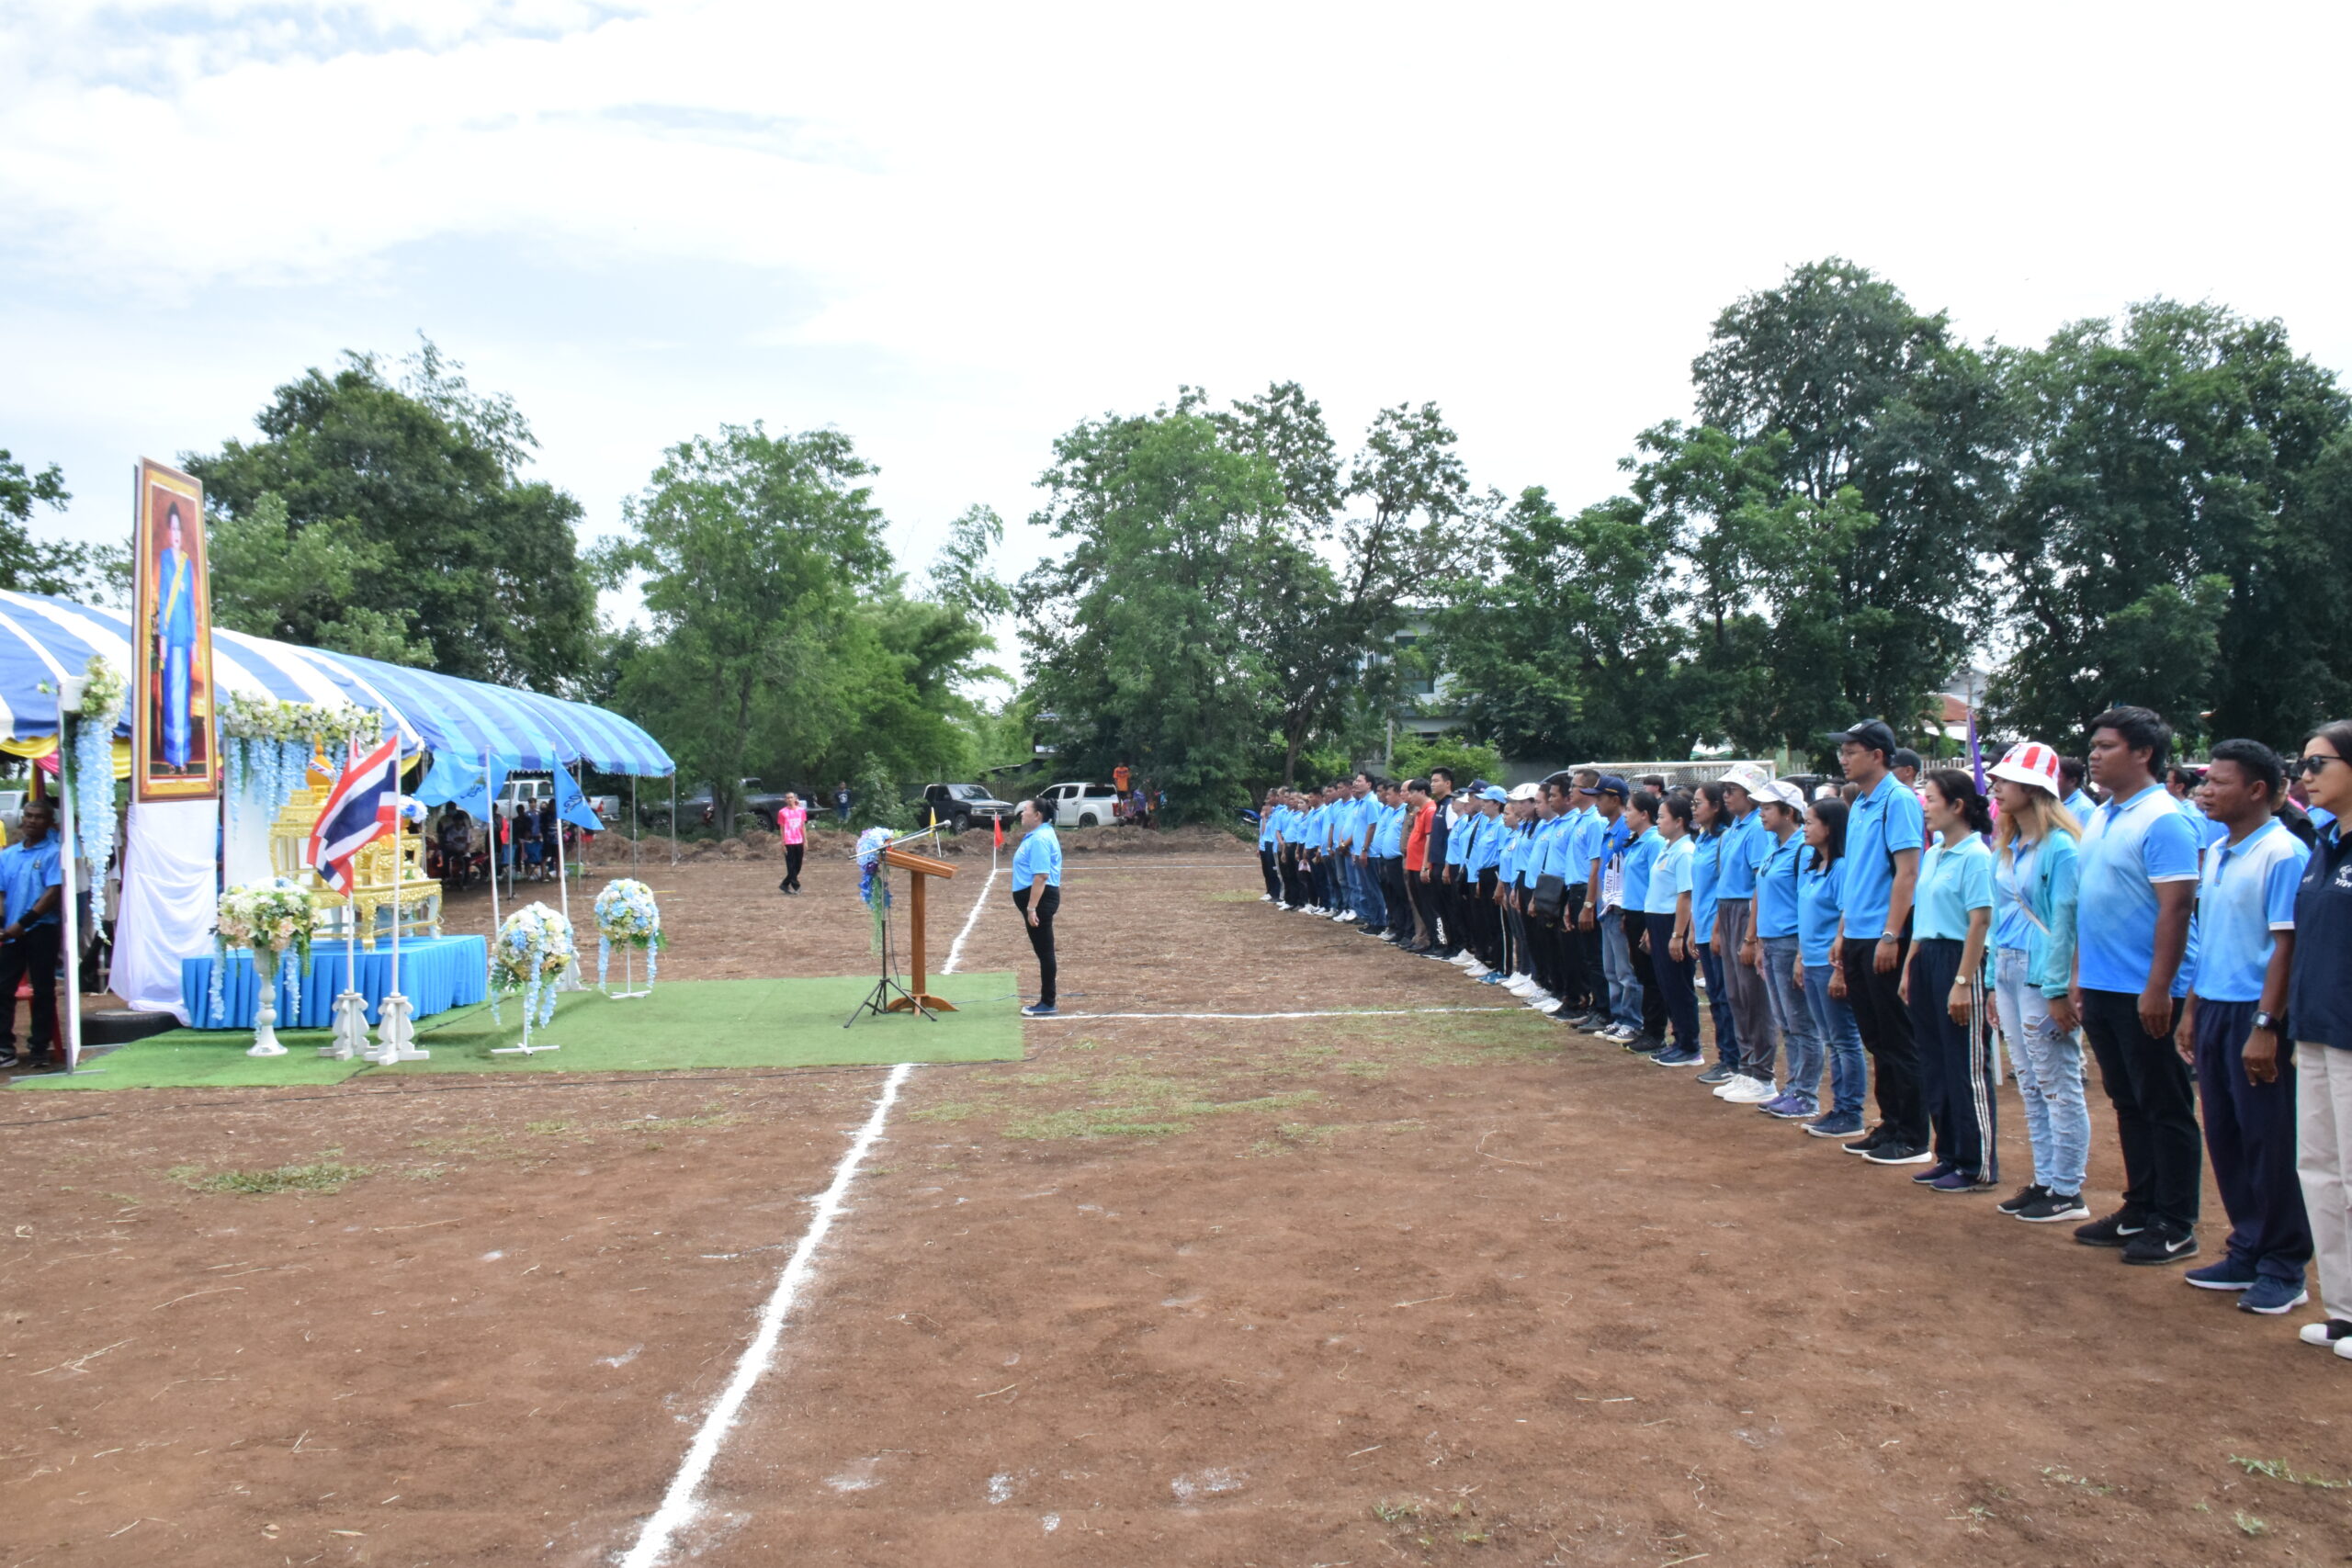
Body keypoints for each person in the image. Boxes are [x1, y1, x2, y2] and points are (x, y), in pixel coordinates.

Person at [2178, 739, 2312, 1314]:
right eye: (2205, 782)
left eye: (2219, 782)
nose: (2205, 790)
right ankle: (2247, 1245)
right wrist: (2191, 1007)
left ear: (2257, 791)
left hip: (2255, 1012)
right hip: (2214, 1005)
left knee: (2269, 1139)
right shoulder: (2222, 850)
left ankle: (2284, 1263)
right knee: (2227, 1135)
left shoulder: (2281, 853)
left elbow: (2285, 946)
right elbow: (2209, 938)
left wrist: (2266, 1022)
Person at [2072, 705, 2204, 1265]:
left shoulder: (2165, 818)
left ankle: (2175, 1222)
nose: (2095, 755)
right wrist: (2080, 974)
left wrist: (2160, 988)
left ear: (2143, 753)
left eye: (2106, 746)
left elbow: (2175, 910)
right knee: (2127, 1100)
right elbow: (2089, 902)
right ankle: (2141, 1205)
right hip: (2103, 983)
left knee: (2165, 1104)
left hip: (2146, 987)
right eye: (2094, 746)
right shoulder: (2105, 815)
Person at [1985, 741, 2090, 1224]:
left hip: (2039, 971)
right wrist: (1989, 980)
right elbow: (1998, 916)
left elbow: (2066, 920)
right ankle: (2045, 1178)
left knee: (2056, 1081)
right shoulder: (2009, 846)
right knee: (2030, 1081)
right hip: (2008, 967)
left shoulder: (2062, 848)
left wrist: (2056, 988)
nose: (1996, 787)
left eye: (2005, 781)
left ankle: (2067, 1188)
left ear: (2033, 789)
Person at [1902, 770, 1999, 1192]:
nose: (1926, 807)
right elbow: (1923, 921)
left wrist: (1963, 980)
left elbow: (1980, 921)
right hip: (1928, 959)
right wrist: (1909, 966)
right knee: (1934, 1061)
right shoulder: (1936, 853)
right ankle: (1949, 1154)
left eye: (1932, 799)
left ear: (1957, 805)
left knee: (1965, 1065)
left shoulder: (1977, 856)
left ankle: (1977, 1162)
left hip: (1961, 959)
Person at [2290, 721, 2352, 1356]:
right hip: (2315, 1026)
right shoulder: (2322, 843)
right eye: (2302, 762)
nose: (2305, 774)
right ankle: (2344, 1311)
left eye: (2318, 762)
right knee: (2321, 1170)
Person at [1793, 797, 1869, 1137]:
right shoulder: (1814, 867)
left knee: (1844, 1039)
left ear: (1830, 827)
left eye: (1810, 822)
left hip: (1829, 964)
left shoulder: (1840, 868)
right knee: (1830, 1038)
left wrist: (1839, 968)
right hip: (1811, 962)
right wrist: (1800, 957)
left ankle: (1850, 1111)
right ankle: (1838, 1106)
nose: (1805, 828)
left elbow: (1846, 914)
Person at [1750, 781, 1822, 1120]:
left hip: (1792, 942)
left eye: (1768, 808)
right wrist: (1760, 942)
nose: (1761, 813)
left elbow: (1807, 903)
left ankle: (1806, 1093)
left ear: (1788, 813)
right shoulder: (1774, 847)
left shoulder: (1803, 851)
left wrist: (1801, 954)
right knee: (1786, 1022)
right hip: (1773, 942)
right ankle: (1793, 1087)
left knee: (1802, 1022)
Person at [1712, 763, 1778, 1105]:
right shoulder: (1733, 829)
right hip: (1728, 910)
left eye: (1732, 790)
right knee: (1735, 994)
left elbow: (1758, 884)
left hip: (1745, 911)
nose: (1726, 796)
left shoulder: (1756, 829)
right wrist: (1719, 927)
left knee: (1753, 995)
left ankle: (1763, 1074)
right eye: (1725, 790)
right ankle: (1746, 1065)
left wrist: (1752, 936)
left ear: (1751, 796)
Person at [0, 798, 66, 1070]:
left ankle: (39, 1048)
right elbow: (2, 893)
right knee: (3, 988)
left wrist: (23, 923)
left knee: (43, 989)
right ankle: (5, 1047)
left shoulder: (54, 853)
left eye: (39, 817)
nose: (32, 821)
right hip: (11, 933)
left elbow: (52, 894)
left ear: (49, 822)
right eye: (28, 816)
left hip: (41, 930)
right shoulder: (8, 854)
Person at [1645, 792, 1702, 1067]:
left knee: (1679, 985)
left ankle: (1690, 1045)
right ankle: (1678, 1040)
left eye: (1662, 817)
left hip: (1673, 923)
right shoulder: (1668, 848)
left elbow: (1686, 896)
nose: (1658, 822)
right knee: (1666, 984)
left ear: (1679, 821)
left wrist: (1678, 935)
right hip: (1658, 921)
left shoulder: (1685, 852)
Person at [1589, 776, 1643, 1042]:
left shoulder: (1624, 829)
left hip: (1618, 908)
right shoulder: (1609, 829)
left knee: (1625, 970)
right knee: (1611, 969)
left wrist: (1622, 909)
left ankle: (1632, 1020)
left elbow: (1624, 872)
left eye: (1599, 797)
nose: (1595, 802)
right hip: (1605, 908)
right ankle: (1618, 1015)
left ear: (1615, 799)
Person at [1619, 791, 1668, 1052]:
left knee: (1652, 976)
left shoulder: (1654, 842)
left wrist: (1649, 924)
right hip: (1636, 912)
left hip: (1650, 915)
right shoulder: (1637, 841)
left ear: (1644, 814)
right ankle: (1648, 1028)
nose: (1625, 814)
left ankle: (1656, 1032)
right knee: (1642, 973)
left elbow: (1656, 884)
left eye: (1629, 809)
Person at [153, 502, 198, 773]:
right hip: (170, 637)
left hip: (185, 634)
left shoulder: (187, 563)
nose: (176, 533)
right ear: (168, 532)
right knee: (172, 694)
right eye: (172, 528)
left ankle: (185, 755)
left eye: (179, 528)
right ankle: (173, 756)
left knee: (185, 697)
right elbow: (161, 597)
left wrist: (193, 640)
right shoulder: (165, 559)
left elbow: (191, 602)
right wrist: (162, 636)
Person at [1010, 799, 1062, 1018]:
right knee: (1043, 951)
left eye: (1026, 810)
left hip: (1040, 901)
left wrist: (1032, 908)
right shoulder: (1037, 835)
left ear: (1038, 815)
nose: (1022, 813)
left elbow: (1041, 875)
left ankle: (1048, 1002)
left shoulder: (1040, 838)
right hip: (1036, 899)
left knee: (1045, 952)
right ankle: (1046, 1000)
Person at [777, 791, 809, 895]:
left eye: (791, 797)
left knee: (798, 865)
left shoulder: (801, 811)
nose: (790, 799)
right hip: (788, 841)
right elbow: (781, 828)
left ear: (795, 799)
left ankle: (785, 884)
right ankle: (796, 886)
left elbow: (803, 826)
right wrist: (783, 843)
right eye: (788, 798)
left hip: (799, 840)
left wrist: (805, 840)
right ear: (785, 800)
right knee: (790, 865)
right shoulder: (782, 812)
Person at [2062, 755, 2098, 821]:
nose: (2051, 779)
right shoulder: (2056, 802)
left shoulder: (2084, 808)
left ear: (2072, 781)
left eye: (2056, 776)